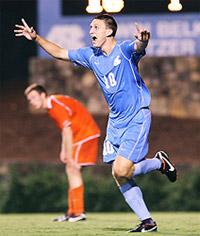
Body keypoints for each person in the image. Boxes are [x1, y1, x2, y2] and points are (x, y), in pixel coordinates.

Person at [15, 15, 177, 232]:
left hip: (136, 117)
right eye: (90, 26)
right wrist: (36, 38)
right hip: (115, 122)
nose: (91, 30)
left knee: (122, 169)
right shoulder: (91, 55)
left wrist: (143, 41)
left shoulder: (125, 51)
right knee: (118, 174)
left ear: (109, 32)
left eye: (96, 27)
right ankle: (147, 221)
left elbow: (138, 47)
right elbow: (60, 52)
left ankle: (159, 164)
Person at [24, 84, 100, 222]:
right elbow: (65, 129)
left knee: (73, 169)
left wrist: (69, 155)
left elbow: (67, 129)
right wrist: (63, 150)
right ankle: (72, 212)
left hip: (85, 134)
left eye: (34, 97)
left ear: (43, 95)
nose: (32, 101)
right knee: (70, 170)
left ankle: (78, 212)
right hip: (81, 135)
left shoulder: (55, 105)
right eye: (29, 100)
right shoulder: (53, 105)